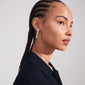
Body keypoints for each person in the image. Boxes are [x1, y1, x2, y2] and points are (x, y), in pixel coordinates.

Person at [13, 0, 73, 85]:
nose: (70, 32)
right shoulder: (30, 75)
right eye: (61, 22)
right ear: (37, 24)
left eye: (70, 25)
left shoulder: (48, 69)